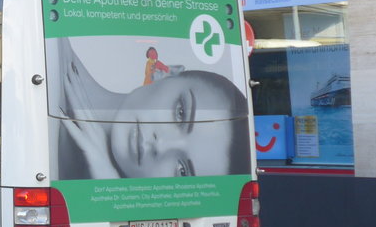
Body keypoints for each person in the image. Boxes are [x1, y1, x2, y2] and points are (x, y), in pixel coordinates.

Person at [52, 38, 250, 180]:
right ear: (166, 73)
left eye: (182, 171)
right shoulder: (48, 50)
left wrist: (110, 191)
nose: (161, 146)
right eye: (180, 114)